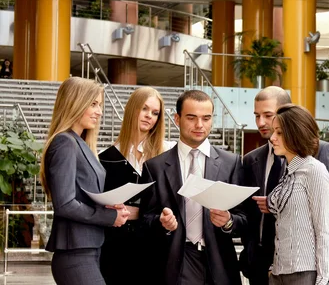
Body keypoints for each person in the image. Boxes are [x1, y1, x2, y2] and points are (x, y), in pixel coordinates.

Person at [139, 90, 247, 285]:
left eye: (206, 118)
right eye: (192, 118)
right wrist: (161, 222)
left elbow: (244, 219)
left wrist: (229, 221)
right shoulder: (154, 167)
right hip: (175, 262)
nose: (199, 125)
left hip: (219, 264)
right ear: (177, 119)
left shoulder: (231, 163)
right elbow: (145, 219)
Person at [240, 86, 329, 285]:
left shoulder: (317, 156)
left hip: (304, 265)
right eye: (257, 116)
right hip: (267, 266)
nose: (262, 123)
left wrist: (287, 206)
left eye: (268, 115)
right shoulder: (251, 159)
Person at [41, 77, 130, 285]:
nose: (99, 111)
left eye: (100, 105)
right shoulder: (65, 142)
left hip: (89, 250)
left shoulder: (79, 143)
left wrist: (108, 205)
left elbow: (81, 194)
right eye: (93, 104)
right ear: (75, 101)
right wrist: (109, 216)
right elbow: (65, 205)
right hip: (75, 253)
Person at [99, 87, 176, 285]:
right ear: (132, 109)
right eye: (144, 109)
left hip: (156, 247)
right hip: (116, 248)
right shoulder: (106, 157)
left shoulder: (168, 153)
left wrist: (140, 212)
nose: (149, 116)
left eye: (155, 113)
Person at [267, 104, 329, 285]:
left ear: (296, 133)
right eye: (274, 132)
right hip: (278, 272)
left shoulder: (314, 170)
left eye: (279, 133)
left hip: (303, 273)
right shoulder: (287, 172)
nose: (272, 138)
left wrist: (323, 278)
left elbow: (323, 230)